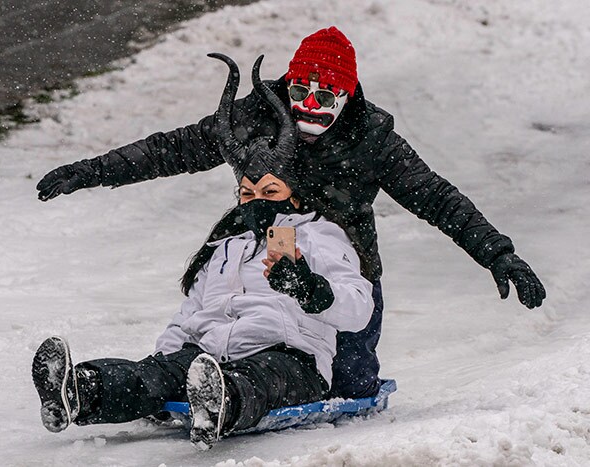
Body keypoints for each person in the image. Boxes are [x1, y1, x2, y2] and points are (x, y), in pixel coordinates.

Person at [35, 26, 546, 400]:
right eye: (301, 91)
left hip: (342, 272)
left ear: (348, 96)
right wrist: (91, 171)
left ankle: (254, 386)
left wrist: (499, 255)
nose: (310, 105)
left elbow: (436, 197)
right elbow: (173, 149)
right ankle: (148, 387)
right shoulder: (256, 115)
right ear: (288, 84)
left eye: (327, 96)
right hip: (261, 259)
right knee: (224, 337)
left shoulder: (373, 139)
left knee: (344, 386)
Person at [31, 55, 374, 450]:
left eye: (270, 193)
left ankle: (220, 403)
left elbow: (358, 307)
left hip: (289, 356)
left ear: (293, 196)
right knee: (156, 374)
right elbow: (191, 314)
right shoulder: (227, 247)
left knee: (263, 379)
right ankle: (81, 391)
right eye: (247, 194)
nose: (255, 202)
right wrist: (167, 360)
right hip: (208, 357)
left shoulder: (318, 235)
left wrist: (313, 290)